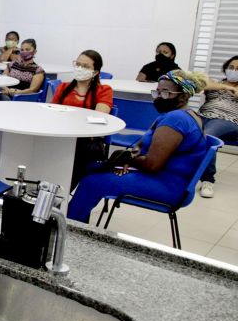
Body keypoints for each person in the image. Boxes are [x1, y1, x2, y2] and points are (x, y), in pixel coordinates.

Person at [68, 70, 209, 224]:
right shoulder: (184, 114)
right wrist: (130, 160)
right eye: (157, 92)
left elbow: (152, 164)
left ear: (183, 96)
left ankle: (70, 226)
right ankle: (76, 223)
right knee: (91, 169)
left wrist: (129, 160)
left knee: (91, 181)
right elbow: (143, 146)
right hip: (165, 178)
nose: (159, 97)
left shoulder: (176, 119)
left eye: (166, 93)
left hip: (168, 186)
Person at [51, 50, 114, 189]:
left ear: (95, 72)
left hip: (85, 142)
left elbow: (99, 118)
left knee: (72, 160)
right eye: (77, 64)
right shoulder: (63, 87)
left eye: (85, 66)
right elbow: (52, 112)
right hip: (60, 137)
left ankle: (60, 193)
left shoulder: (104, 90)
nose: (79, 68)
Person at [198, 55, 238, 198]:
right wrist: (225, 86)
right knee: (178, 127)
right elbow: (201, 84)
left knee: (208, 136)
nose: (234, 71)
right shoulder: (216, 84)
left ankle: (208, 180)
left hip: (227, 120)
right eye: (231, 67)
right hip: (203, 115)